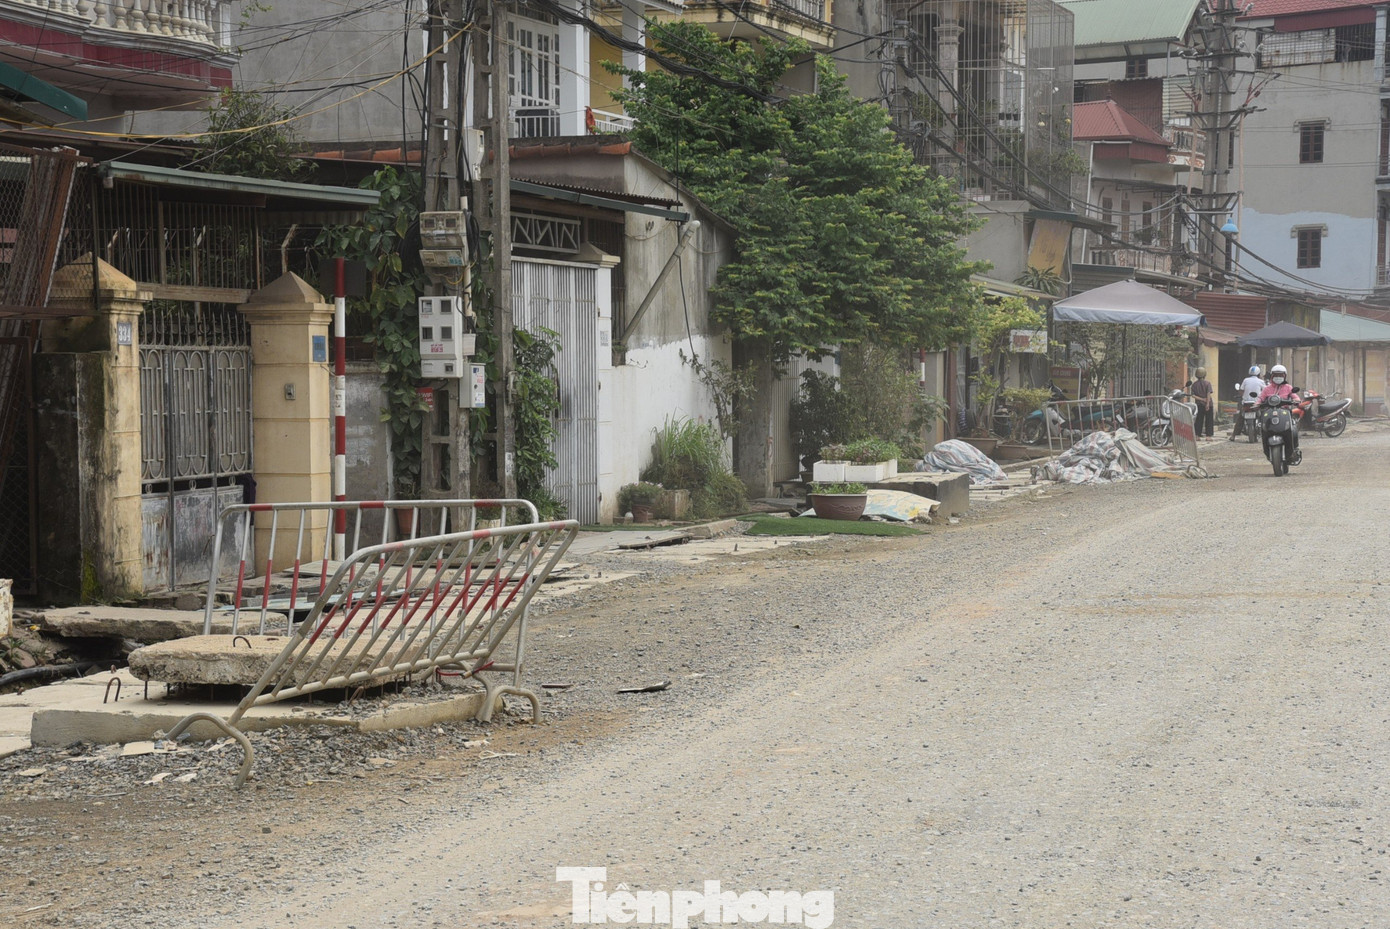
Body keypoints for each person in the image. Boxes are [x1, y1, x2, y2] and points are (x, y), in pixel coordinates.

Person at [1256, 364, 1301, 461]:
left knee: (1293, 430)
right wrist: (1257, 403)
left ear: (1284, 376)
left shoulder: (1288, 387)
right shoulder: (1267, 388)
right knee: (1263, 429)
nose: (1278, 377)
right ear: (1272, 376)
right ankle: (1267, 451)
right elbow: (1260, 398)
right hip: (1269, 413)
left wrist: (1297, 400)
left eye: (1280, 375)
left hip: (1285, 413)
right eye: (1276, 375)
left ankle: (1293, 449)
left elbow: (1294, 396)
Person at [1231, 364, 1266, 439]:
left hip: (1246, 403)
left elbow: (1241, 390)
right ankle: (1265, 432)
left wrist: (1243, 395)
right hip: (1256, 404)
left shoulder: (1245, 380)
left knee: (1240, 419)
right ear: (1259, 374)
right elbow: (1265, 392)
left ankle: (1233, 435)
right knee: (1264, 416)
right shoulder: (1261, 381)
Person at [1189, 366, 1215, 438]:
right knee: (1209, 420)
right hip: (1209, 404)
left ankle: (1197, 435)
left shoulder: (1194, 385)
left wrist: (1201, 399)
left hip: (1199, 405)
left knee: (1199, 420)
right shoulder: (1207, 383)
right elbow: (1208, 394)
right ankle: (1208, 436)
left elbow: (1193, 395)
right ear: (1205, 374)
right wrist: (1207, 403)